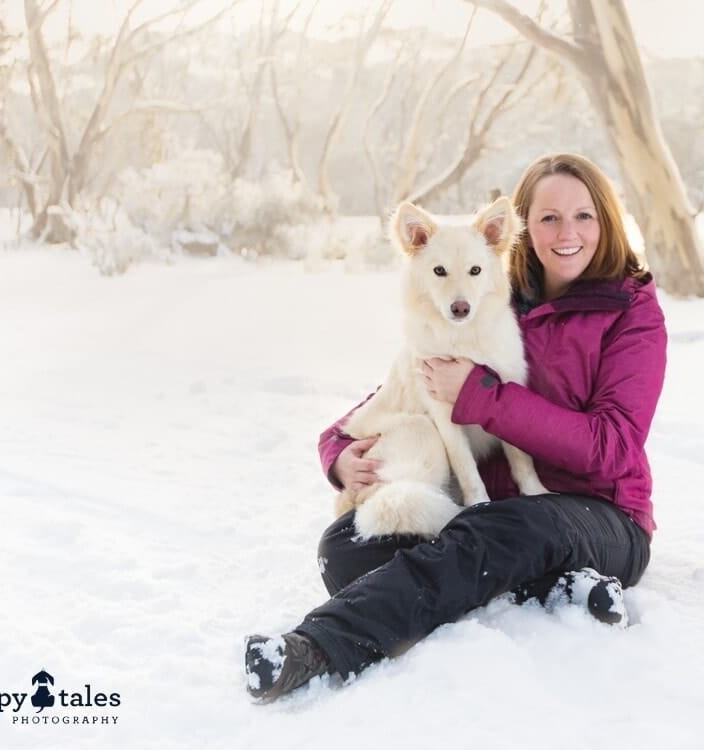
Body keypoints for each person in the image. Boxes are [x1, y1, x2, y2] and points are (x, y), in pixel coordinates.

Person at [244, 152, 668, 702]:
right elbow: (408, 385)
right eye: (548, 218)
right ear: (522, 229)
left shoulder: (632, 311)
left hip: (602, 516)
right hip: (494, 515)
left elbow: (612, 448)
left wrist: (482, 397)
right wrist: (337, 450)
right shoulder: (487, 290)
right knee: (346, 545)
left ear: (606, 220)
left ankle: (318, 648)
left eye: (584, 216)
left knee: (493, 533)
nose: (567, 233)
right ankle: (553, 590)